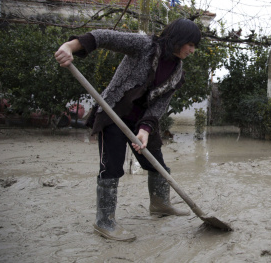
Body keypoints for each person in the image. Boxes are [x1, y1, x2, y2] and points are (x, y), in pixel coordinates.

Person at [54, 18, 201, 242]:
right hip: (113, 113)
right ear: (178, 39)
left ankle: (160, 205)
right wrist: (69, 46)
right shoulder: (144, 46)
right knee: (111, 168)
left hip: (141, 120)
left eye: (194, 46)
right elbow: (103, 37)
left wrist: (145, 130)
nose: (192, 50)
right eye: (190, 44)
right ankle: (104, 221)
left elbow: (159, 105)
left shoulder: (177, 73)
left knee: (157, 164)